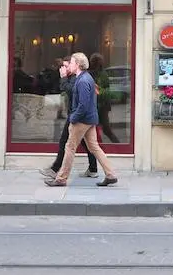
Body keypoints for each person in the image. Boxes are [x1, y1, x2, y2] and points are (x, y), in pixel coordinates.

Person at [45, 52, 118, 187]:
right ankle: (111, 174)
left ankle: (61, 178)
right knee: (94, 147)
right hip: (89, 119)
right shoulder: (85, 77)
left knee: (69, 147)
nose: (69, 65)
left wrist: (73, 118)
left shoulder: (83, 81)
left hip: (82, 120)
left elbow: (83, 105)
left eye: (72, 63)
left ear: (78, 65)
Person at [40, 57, 98, 181]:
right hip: (78, 115)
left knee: (65, 142)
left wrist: (63, 78)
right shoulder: (74, 77)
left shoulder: (77, 78)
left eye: (67, 65)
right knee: (89, 144)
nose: (65, 68)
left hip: (77, 116)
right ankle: (94, 169)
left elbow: (71, 91)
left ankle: (55, 170)